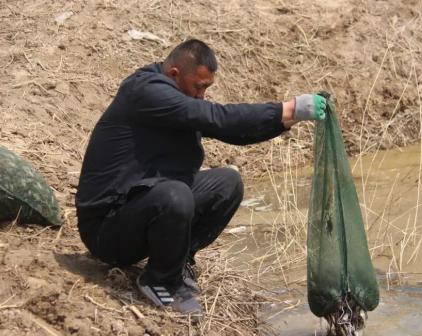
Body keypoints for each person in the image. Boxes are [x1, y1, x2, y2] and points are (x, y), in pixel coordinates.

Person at [75, 39, 326, 318]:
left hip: (141, 203)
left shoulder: (176, 98)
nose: (202, 95)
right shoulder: (147, 92)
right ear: (174, 74)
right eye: (199, 86)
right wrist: (287, 108)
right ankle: (161, 281)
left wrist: (286, 120)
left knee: (227, 183)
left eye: (207, 88)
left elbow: (229, 130)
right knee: (176, 195)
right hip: (107, 230)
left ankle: (178, 260)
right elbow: (215, 117)